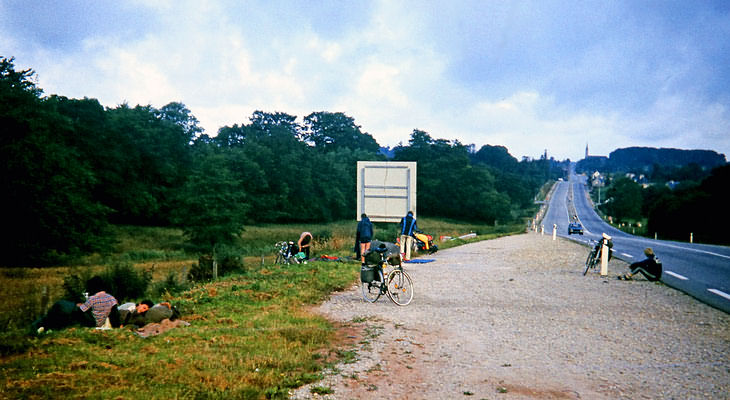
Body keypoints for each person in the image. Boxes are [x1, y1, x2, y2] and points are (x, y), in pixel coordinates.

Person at [32, 276, 119, 334]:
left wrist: (78, 306)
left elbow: (81, 311)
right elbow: (116, 319)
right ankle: (43, 325)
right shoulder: (111, 299)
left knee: (61, 306)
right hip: (100, 323)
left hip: (90, 322)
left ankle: (39, 326)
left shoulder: (92, 299)